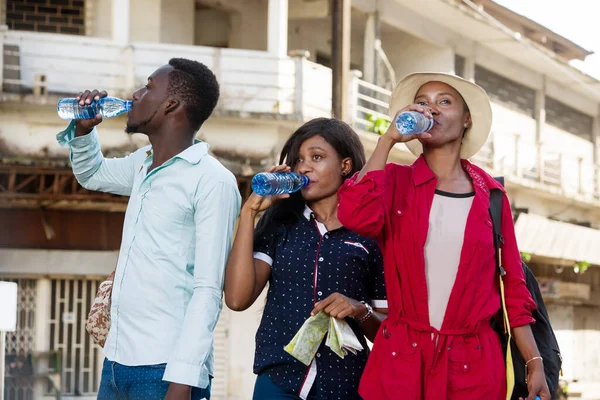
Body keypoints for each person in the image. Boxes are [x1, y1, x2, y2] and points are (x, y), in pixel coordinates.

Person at [337, 73, 551, 400]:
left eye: (444, 101)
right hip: (400, 364)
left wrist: (534, 361)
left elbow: (513, 288)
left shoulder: (492, 197)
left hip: (473, 369)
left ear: (466, 119)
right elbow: (355, 214)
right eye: (422, 102)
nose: (431, 109)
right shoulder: (393, 181)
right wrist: (387, 140)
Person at [56, 58, 241, 400]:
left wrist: (182, 381)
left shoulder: (212, 181)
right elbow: (91, 174)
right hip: (115, 362)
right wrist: (83, 130)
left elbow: (208, 289)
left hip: (165, 370)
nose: (136, 94)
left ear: (171, 104)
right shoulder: (143, 163)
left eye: (148, 87)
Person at [224, 118, 388, 399]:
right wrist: (249, 213)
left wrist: (359, 309)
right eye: (299, 159)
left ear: (345, 166)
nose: (304, 167)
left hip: (346, 384)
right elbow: (237, 299)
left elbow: (389, 332)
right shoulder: (280, 222)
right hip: (279, 381)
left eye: (317, 157)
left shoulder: (370, 234)